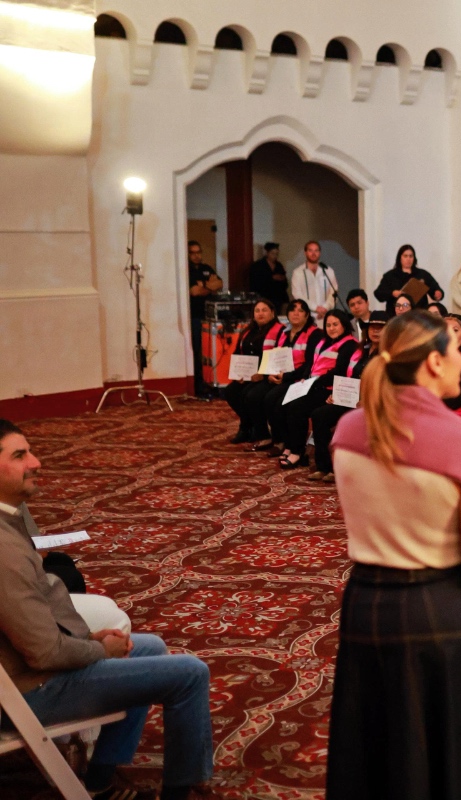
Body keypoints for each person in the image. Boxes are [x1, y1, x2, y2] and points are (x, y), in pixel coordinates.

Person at [327, 312, 461, 799]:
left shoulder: (347, 429)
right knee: (443, 755)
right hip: (438, 611)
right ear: (433, 361)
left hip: (365, 602)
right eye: (456, 350)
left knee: (377, 747)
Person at [0, 420, 214, 800]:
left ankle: (100, 780)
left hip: (27, 675)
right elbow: (43, 652)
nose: (36, 462)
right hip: (27, 693)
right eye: (20, 455)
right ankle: (181, 791)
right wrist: (100, 650)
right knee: (190, 674)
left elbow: (34, 624)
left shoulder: (10, 522)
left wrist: (91, 638)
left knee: (149, 647)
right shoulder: (4, 549)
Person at [308, 312, 389, 482]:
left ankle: (351, 468)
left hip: (374, 402)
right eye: (372, 327)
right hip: (351, 398)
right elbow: (347, 375)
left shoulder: (389, 354)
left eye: (380, 328)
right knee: (319, 414)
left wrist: (366, 400)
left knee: (349, 421)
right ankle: (325, 467)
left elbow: (387, 385)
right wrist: (336, 394)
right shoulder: (361, 350)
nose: (375, 331)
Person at [277, 309, 362, 469]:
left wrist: (313, 382)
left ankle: (297, 451)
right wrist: (306, 377)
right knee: (285, 402)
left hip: (330, 389)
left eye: (335, 324)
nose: (331, 328)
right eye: (328, 325)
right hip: (315, 385)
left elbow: (338, 372)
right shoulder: (324, 341)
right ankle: (291, 446)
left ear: (344, 325)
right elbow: (313, 363)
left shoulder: (349, 344)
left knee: (297, 407)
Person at [261, 300, 326, 453]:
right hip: (281, 376)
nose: (295, 313)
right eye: (292, 310)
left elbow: (310, 363)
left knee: (277, 402)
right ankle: (279, 439)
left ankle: (288, 443)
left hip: (299, 378)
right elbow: (275, 356)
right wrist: (270, 374)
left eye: (300, 310)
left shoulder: (314, 333)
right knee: (267, 398)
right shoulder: (284, 333)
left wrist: (287, 376)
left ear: (307, 315)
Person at [223, 298, 285, 444]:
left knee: (250, 395)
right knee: (231, 391)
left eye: (264, 310)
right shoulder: (247, 331)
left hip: (267, 376)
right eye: (257, 311)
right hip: (248, 375)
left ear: (272, 313)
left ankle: (260, 431)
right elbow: (238, 352)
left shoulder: (280, 330)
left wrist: (262, 375)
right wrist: (237, 374)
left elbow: (279, 357)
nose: (260, 313)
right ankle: (248, 426)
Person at [187, 240, 223, 397]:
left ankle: (211, 384)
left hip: (209, 318)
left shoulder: (206, 268)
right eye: (193, 253)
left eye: (198, 252)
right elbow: (194, 292)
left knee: (210, 352)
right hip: (194, 318)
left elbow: (219, 283)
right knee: (198, 352)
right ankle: (199, 387)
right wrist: (209, 287)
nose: (196, 255)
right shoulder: (187, 270)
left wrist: (205, 287)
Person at [375, 244, 441, 316]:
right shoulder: (390, 275)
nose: (408, 259)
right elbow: (378, 293)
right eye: (405, 256)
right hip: (396, 317)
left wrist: (437, 293)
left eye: (411, 256)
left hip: (419, 316)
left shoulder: (422, 274)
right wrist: (392, 293)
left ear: (414, 258)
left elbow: (435, 288)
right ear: (400, 258)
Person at [289, 241, 338, 328]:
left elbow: (334, 292)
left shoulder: (328, 271)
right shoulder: (298, 272)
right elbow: (297, 294)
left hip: (326, 316)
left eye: (316, 250)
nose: (313, 253)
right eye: (310, 250)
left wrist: (325, 308)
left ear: (320, 253)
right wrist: (316, 308)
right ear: (305, 252)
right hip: (307, 316)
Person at [248, 241, 289, 310]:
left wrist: (282, 279)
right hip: (264, 297)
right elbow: (255, 283)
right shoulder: (258, 266)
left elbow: (285, 283)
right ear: (267, 253)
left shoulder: (279, 266)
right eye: (273, 254)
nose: (275, 256)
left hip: (278, 298)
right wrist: (271, 278)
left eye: (277, 254)